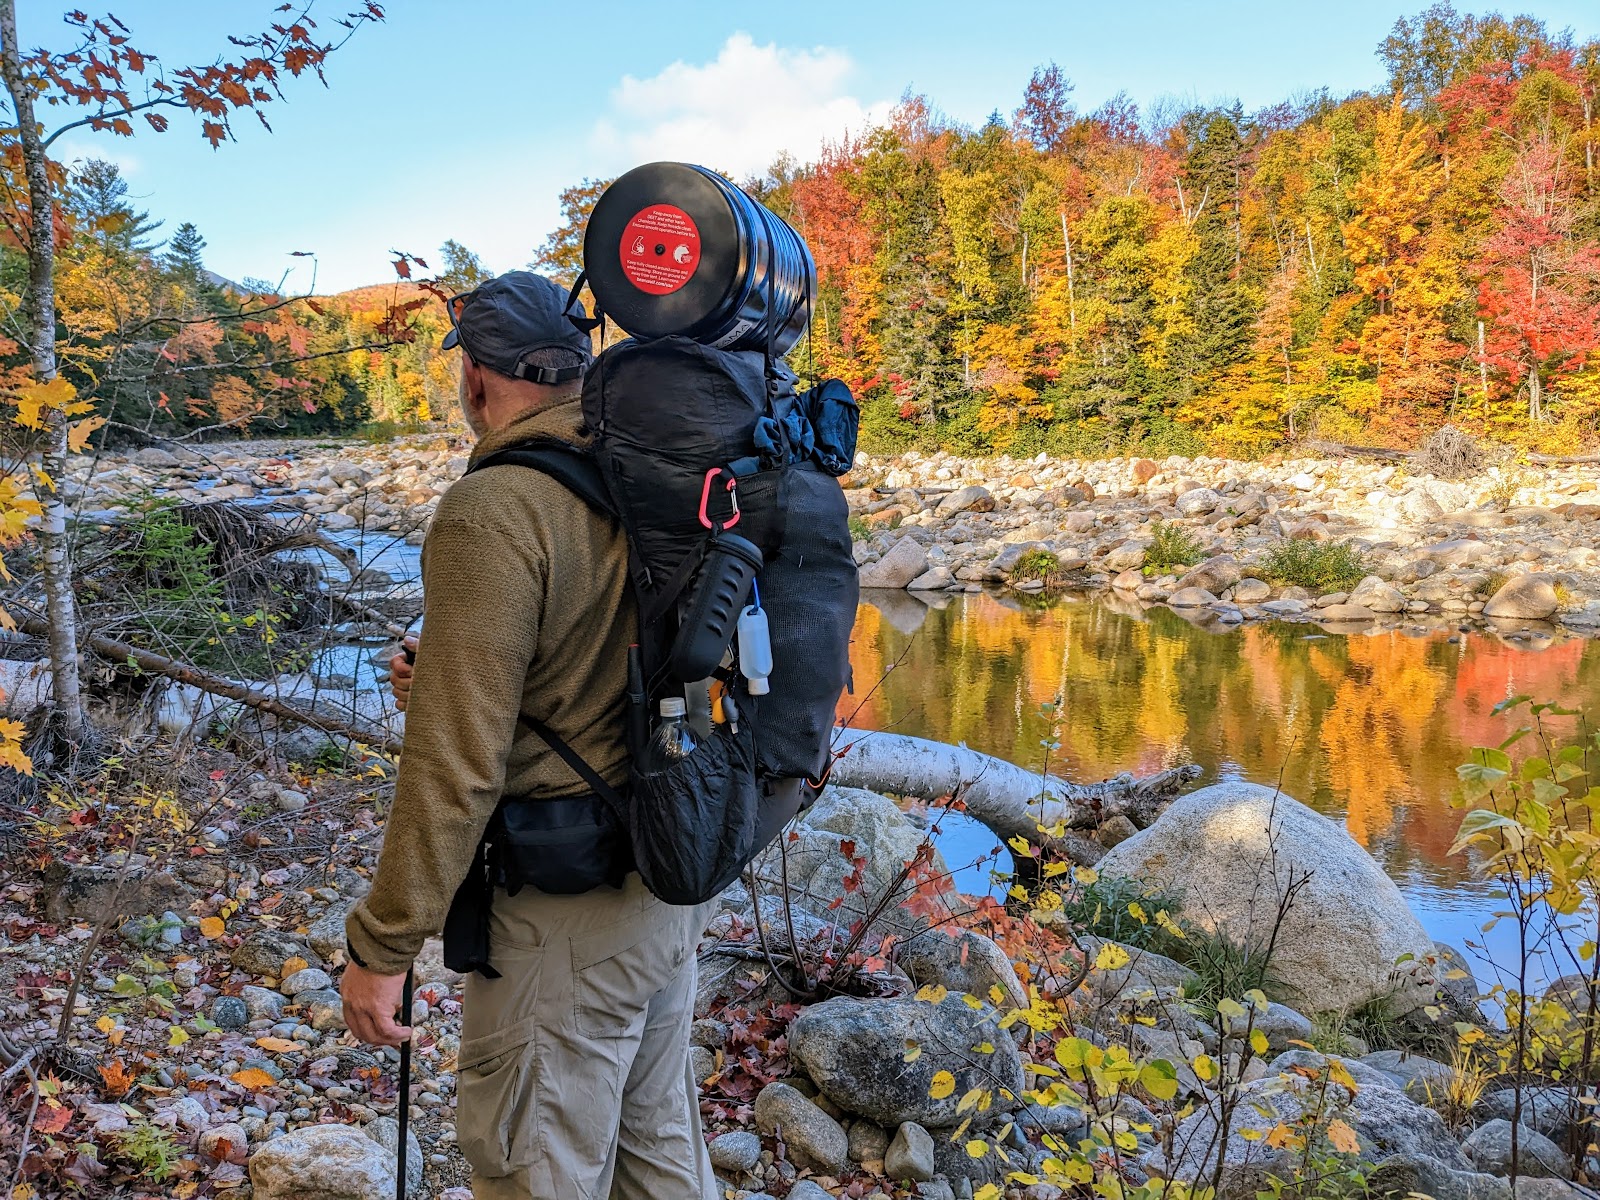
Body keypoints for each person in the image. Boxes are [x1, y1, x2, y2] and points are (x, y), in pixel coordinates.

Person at [340, 271, 717, 1200]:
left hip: (565, 915)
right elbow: (600, 654)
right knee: (657, 1160)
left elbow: (456, 762)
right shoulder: (650, 474)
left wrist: (383, 947)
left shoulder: (497, 507)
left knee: (532, 1171)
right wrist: (457, 674)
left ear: (475, 378)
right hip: (668, 878)